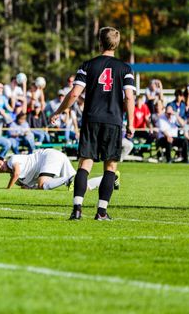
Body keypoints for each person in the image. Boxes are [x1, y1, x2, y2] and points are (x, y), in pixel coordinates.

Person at [50, 27, 135, 221]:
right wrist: (131, 123)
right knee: (110, 167)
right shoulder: (125, 68)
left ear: (100, 42)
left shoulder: (88, 65)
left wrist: (58, 111)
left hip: (91, 120)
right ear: (117, 44)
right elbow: (129, 98)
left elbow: (74, 94)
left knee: (85, 164)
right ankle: (101, 212)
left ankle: (77, 209)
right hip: (113, 121)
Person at [0, 149, 114, 191]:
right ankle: (112, 179)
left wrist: (8, 189)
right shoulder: (18, 181)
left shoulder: (12, 159)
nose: (0, 167)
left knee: (42, 184)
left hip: (48, 156)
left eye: (0, 164)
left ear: (3, 160)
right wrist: (28, 188)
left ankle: (69, 179)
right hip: (54, 157)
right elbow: (28, 187)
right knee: (82, 187)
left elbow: (16, 173)